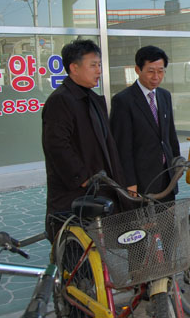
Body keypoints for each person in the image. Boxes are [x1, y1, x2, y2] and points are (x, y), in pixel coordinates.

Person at [42, 39, 130, 242]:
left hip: (100, 189)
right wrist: (81, 177)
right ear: (74, 67)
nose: (98, 70)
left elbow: (108, 146)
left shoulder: (92, 98)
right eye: (93, 65)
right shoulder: (61, 100)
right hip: (76, 195)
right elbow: (56, 145)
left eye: (99, 65)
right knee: (78, 258)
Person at [110, 46, 180, 202]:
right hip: (141, 180)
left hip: (166, 176)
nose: (156, 76)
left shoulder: (164, 95)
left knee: (168, 222)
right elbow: (122, 147)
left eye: (161, 71)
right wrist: (129, 182)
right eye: (150, 71)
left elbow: (170, 135)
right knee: (145, 225)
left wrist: (176, 164)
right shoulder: (123, 101)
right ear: (137, 70)